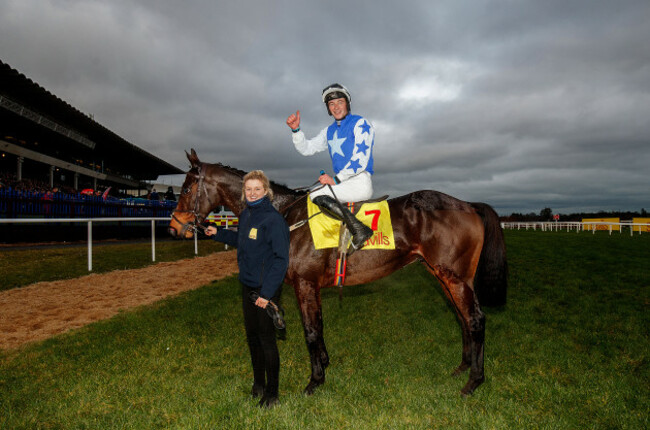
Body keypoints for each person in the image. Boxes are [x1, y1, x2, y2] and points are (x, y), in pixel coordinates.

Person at [205, 170, 290, 409]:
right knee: (252, 338)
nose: (252, 193)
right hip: (247, 285)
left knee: (267, 340)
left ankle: (272, 395)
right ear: (244, 191)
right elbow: (241, 241)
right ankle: (258, 385)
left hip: (266, 290)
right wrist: (218, 234)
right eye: (248, 189)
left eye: (257, 189)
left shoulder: (273, 220)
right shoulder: (246, 216)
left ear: (266, 192)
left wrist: (267, 295)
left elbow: (280, 259)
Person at [286, 83, 374, 250]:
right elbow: (307, 149)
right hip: (342, 183)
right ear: (328, 108)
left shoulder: (361, 123)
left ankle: (359, 229)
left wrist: (335, 179)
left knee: (316, 193)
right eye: (331, 104)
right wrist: (296, 131)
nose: (336, 107)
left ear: (347, 103)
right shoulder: (329, 131)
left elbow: (360, 160)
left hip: (358, 182)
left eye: (340, 102)